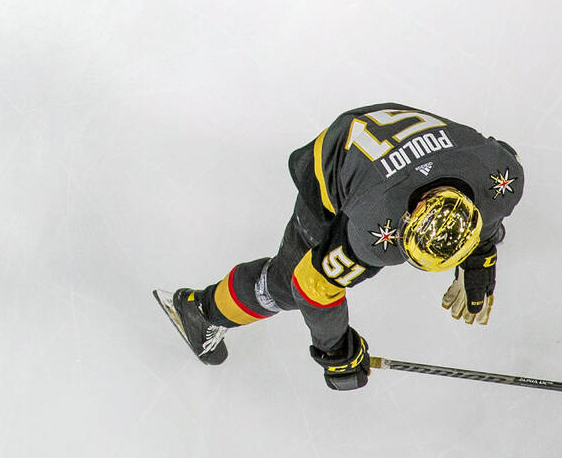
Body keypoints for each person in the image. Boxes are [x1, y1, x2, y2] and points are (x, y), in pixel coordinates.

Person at [154, 104, 522, 391]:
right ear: (401, 226)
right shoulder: (373, 229)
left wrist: (479, 259)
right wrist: (335, 349)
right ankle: (199, 310)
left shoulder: (500, 174)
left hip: (393, 137)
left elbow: (487, 215)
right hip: (335, 159)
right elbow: (313, 287)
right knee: (286, 282)